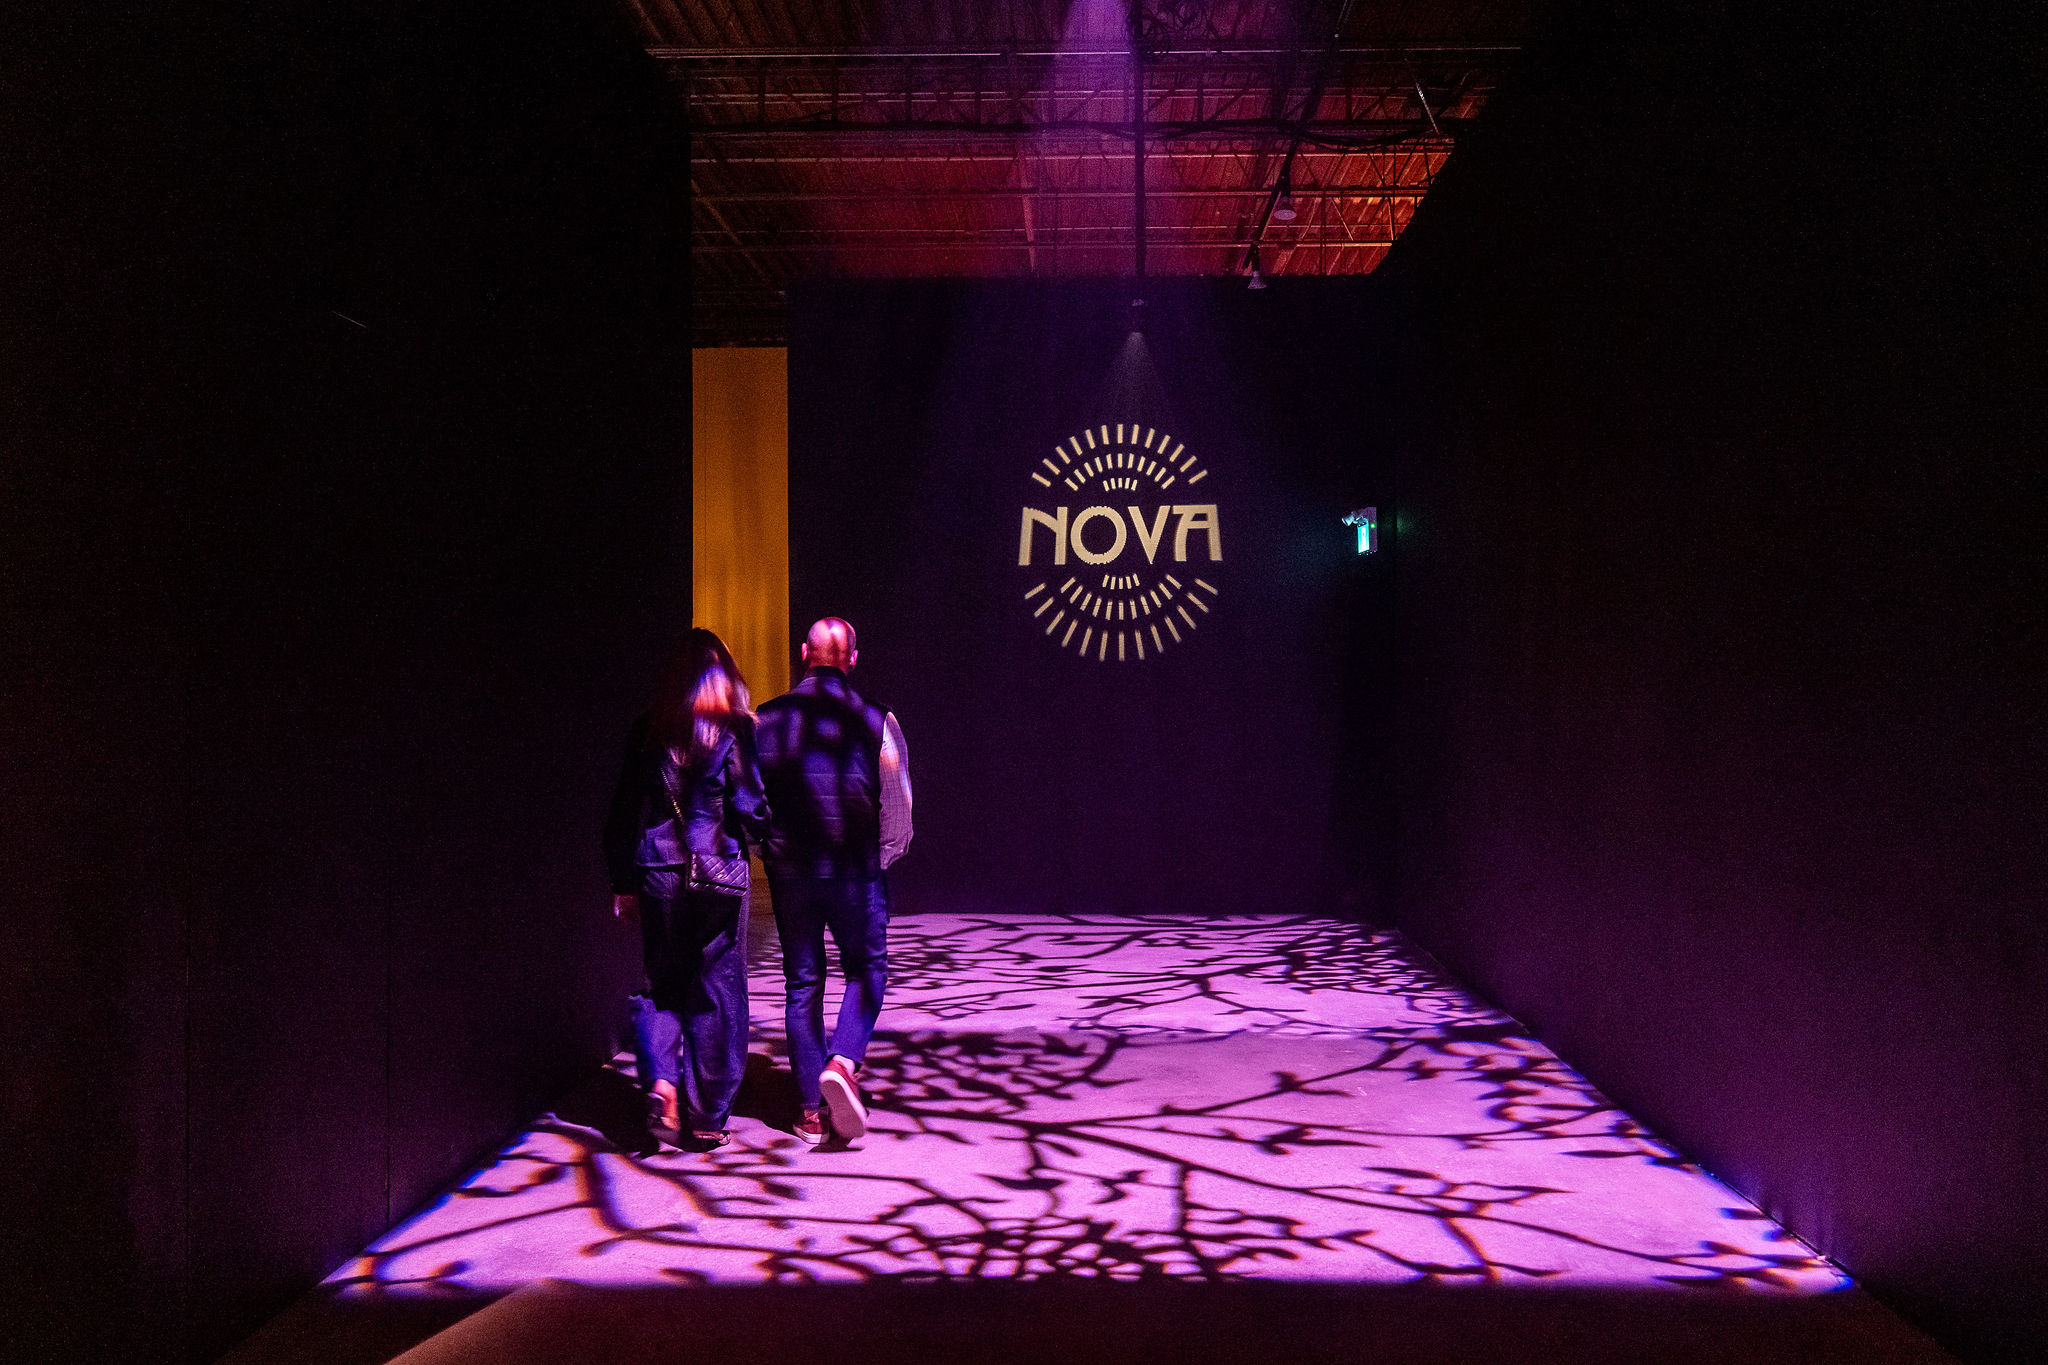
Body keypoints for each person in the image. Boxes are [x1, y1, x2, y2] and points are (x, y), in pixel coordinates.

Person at [603, 629, 770, 1151]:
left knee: (662, 982)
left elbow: (623, 811)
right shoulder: (736, 728)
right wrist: (766, 837)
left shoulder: (648, 729)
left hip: (658, 867)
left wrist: (623, 883)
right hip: (717, 870)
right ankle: (706, 1117)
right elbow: (750, 806)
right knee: (718, 987)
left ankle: (661, 1084)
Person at [755, 617, 912, 1145]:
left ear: (804, 653)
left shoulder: (765, 720)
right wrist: (880, 857)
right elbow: (898, 806)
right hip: (853, 870)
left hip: (791, 872)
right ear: (853, 659)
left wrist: (768, 850)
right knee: (866, 970)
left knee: (803, 984)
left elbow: (750, 800)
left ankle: (808, 1112)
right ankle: (843, 1062)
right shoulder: (877, 719)